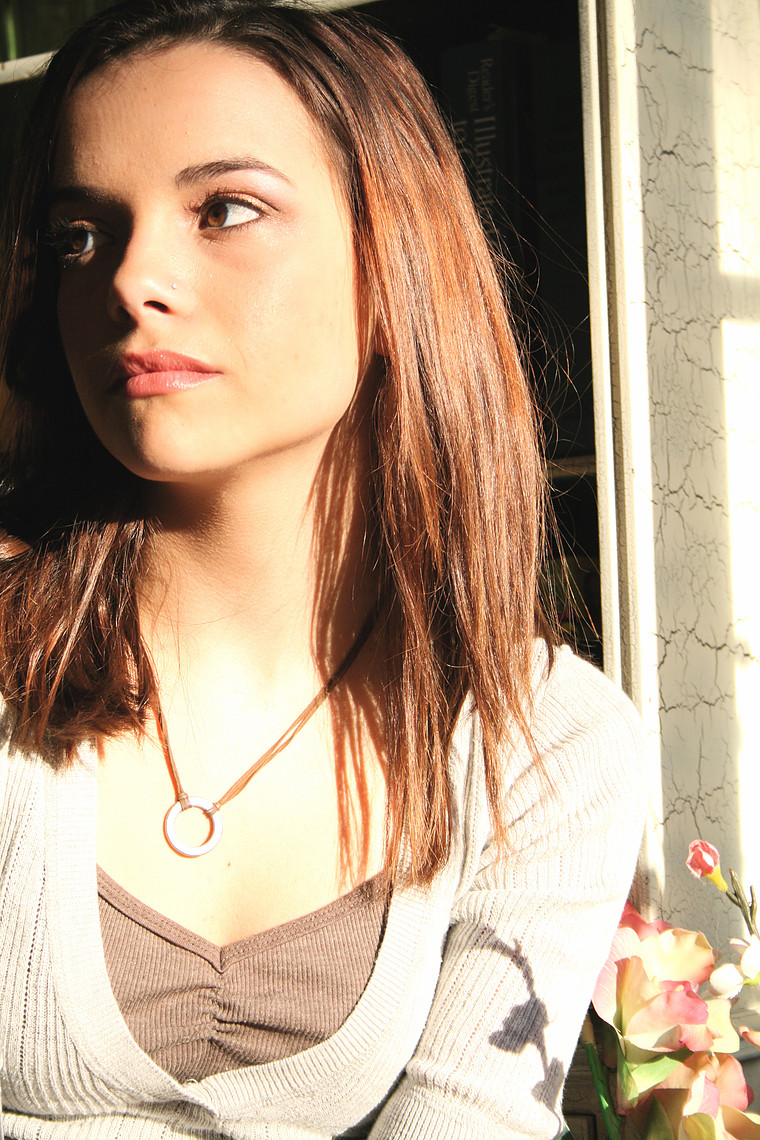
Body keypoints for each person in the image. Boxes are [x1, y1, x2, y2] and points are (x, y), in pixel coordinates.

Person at [0, 1, 645, 1136]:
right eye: (80, 237)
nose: (130, 280)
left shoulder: (542, 742)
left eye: (225, 210)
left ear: (392, 260)